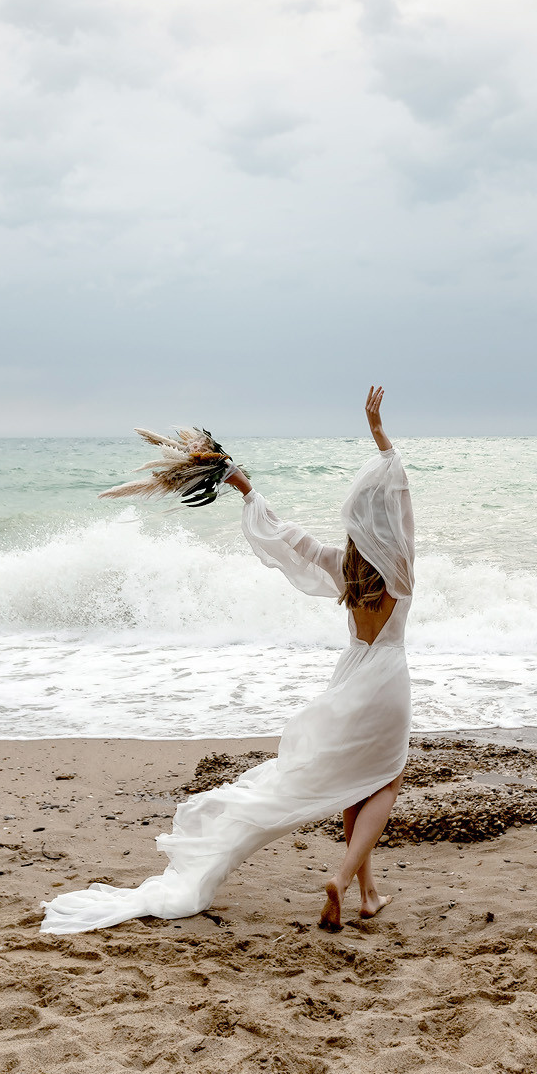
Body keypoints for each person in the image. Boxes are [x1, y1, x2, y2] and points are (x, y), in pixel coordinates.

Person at [39, 386, 414, 935]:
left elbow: (289, 537)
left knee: (355, 780)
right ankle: (346, 879)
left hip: (350, 678)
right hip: (388, 680)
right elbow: (401, 504)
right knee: (383, 779)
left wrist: (244, 486)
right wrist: (381, 437)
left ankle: (368, 893)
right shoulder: (400, 573)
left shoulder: (343, 566)